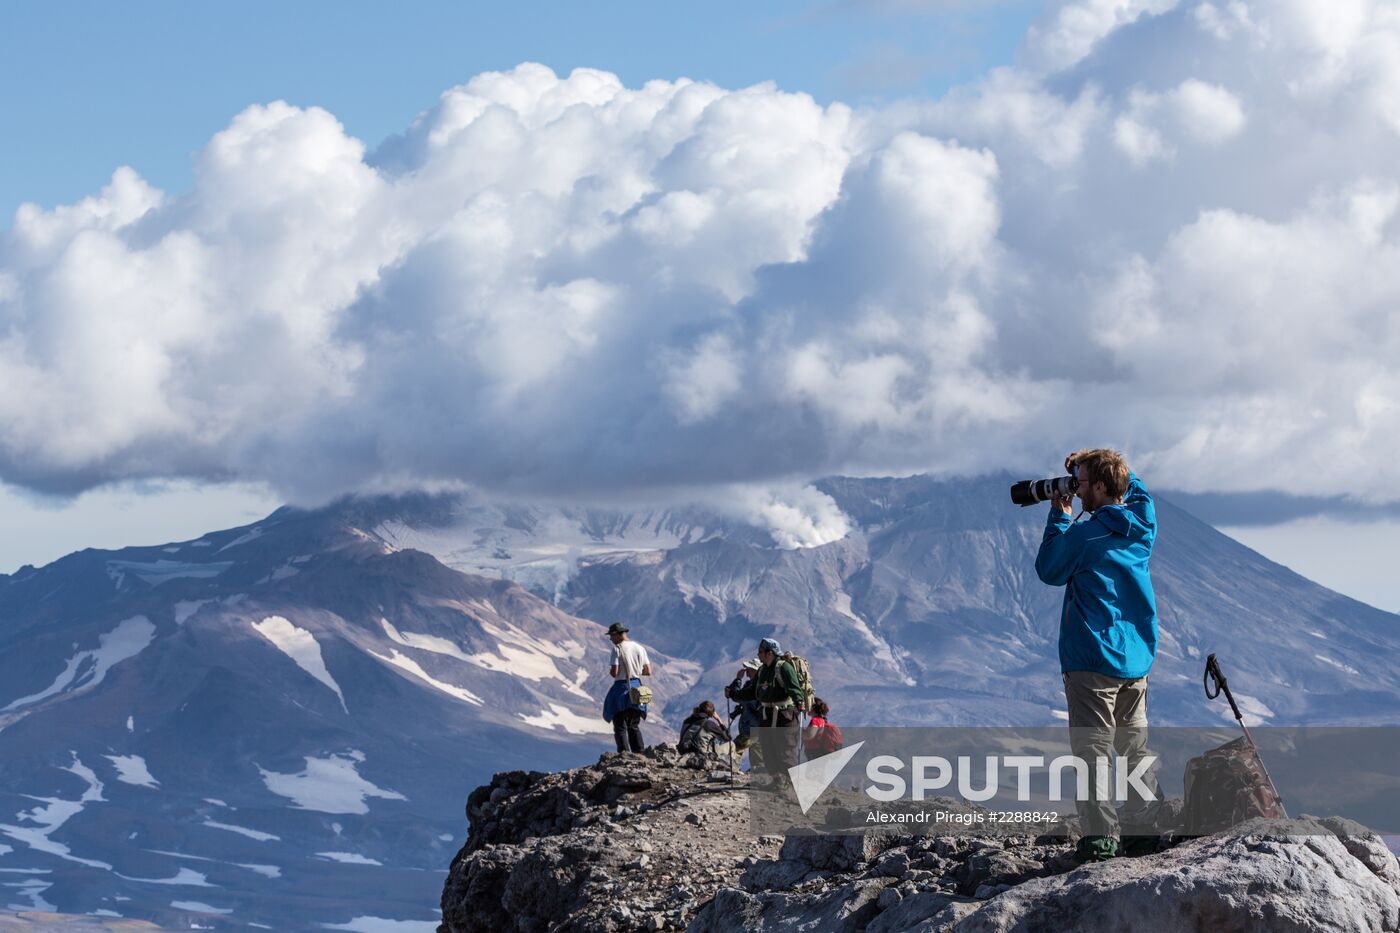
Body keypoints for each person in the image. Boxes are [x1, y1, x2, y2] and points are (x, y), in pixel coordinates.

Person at [1035, 448, 1161, 862]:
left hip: (1092, 660)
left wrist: (1059, 514)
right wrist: (1104, 463)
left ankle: (1101, 842)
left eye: (1082, 482)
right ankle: (1143, 835)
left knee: (1094, 755)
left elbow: (1049, 569)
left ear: (1102, 487)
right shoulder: (1143, 523)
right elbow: (1138, 491)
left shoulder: (1086, 536)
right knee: (1135, 750)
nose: (1076, 488)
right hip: (1136, 659)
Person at [726, 638, 804, 783]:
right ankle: (777, 782)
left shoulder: (784, 667)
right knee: (768, 751)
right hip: (766, 715)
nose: (758, 654)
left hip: (785, 715)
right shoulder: (762, 670)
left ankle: (791, 785)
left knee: (786, 750)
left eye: (761, 652)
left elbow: (794, 688)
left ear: (770, 653)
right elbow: (752, 692)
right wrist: (733, 694)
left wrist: (799, 701)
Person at [602, 622, 651, 754]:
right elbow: (648, 671)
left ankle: (624, 753)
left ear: (617, 634)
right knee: (633, 724)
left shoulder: (617, 649)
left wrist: (616, 671)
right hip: (637, 688)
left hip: (621, 688)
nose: (611, 639)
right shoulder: (640, 648)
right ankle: (639, 752)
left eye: (611, 636)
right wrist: (635, 670)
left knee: (620, 725)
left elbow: (615, 672)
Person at [726, 659, 765, 770]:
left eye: (749, 669)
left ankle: (732, 769)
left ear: (755, 670)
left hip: (753, 728)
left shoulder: (757, 687)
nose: (746, 671)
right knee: (756, 753)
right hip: (753, 727)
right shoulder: (751, 685)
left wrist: (738, 680)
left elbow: (738, 696)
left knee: (735, 749)